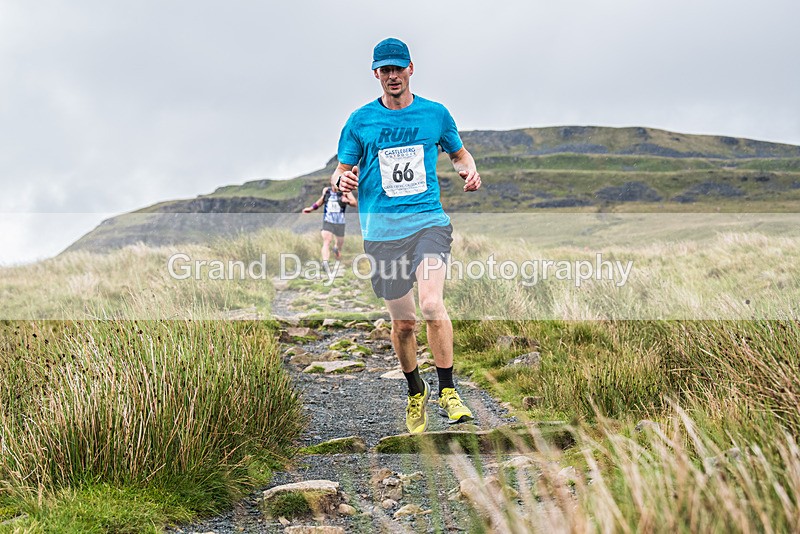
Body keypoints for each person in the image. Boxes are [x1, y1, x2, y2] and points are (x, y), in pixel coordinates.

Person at [332, 37, 482, 434]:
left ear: (411, 68)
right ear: (376, 74)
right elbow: (340, 170)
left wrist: (469, 169)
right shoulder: (360, 120)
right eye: (385, 70)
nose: (392, 76)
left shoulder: (435, 114)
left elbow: (459, 152)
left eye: (398, 68)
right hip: (382, 233)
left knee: (432, 305)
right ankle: (416, 392)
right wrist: (342, 179)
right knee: (404, 324)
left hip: (428, 223)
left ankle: (449, 392)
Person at [302, 182, 357, 271]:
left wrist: (347, 201)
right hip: (328, 220)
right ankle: (325, 263)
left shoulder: (345, 191)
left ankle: (336, 249)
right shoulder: (327, 191)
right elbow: (321, 201)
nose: (335, 186)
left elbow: (354, 203)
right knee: (327, 241)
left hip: (340, 222)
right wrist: (311, 209)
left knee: (339, 244)